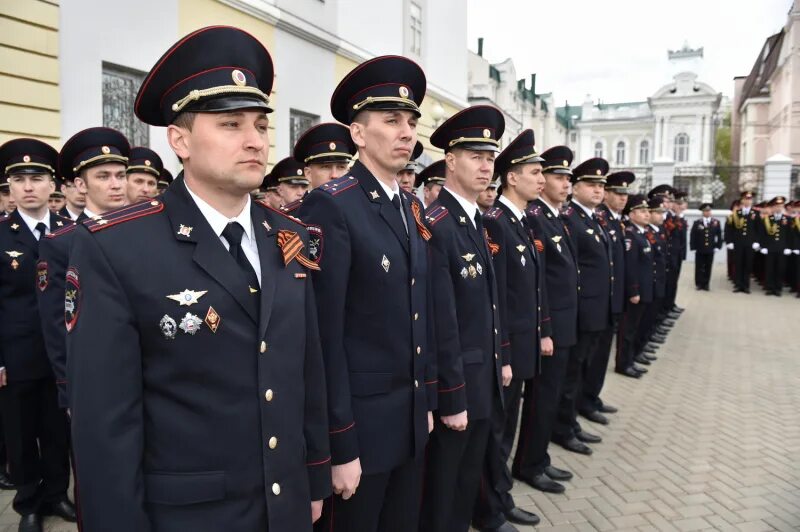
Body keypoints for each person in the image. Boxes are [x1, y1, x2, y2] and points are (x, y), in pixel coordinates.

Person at [67, 26, 331, 531]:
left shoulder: (291, 235)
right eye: (231, 124)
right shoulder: (114, 247)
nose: (255, 140)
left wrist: (314, 478)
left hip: (285, 506)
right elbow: (105, 426)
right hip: (189, 515)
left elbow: (305, 368)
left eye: (259, 123)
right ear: (180, 140)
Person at [298, 55, 435, 532]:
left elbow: (419, 313)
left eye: (412, 122)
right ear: (357, 133)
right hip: (360, 432)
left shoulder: (408, 205)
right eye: (391, 120)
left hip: (407, 421)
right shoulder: (332, 206)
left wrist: (427, 404)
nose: (406, 132)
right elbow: (323, 338)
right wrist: (339, 446)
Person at [419, 105, 504, 532]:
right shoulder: (439, 225)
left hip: (481, 379)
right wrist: (452, 396)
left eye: (490, 158)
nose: (486, 166)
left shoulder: (475, 221)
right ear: (450, 160)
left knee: (467, 482)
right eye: (475, 156)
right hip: (459, 388)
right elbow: (441, 321)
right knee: (444, 488)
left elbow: (486, 308)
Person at [0, 138, 76, 532]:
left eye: (37, 178)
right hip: (15, 357)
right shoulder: (1, 234)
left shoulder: (71, 231)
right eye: (19, 179)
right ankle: (28, 501)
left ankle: (57, 493)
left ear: (53, 185)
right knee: (20, 432)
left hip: (62, 354)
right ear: (9, 188)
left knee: (57, 430)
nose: (28, 187)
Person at [472, 129, 545, 532]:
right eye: (534, 172)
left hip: (519, 344)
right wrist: (503, 350)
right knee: (497, 435)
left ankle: (500, 497)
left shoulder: (519, 221)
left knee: (506, 429)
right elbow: (496, 297)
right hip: (505, 348)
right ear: (512, 177)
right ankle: (491, 509)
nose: (541, 179)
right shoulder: (496, 223)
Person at [38, 127, 131, 409]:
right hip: (92, 376)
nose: (115, 184)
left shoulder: (142, 233)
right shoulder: (61, 243)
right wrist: (69, 388)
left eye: (120, 175)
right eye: (103, 177)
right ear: (80, 185)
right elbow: (57, 322)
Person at [514, 145, 578, 494]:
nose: (564, 184)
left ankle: (538, 458)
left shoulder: (554, 215)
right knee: (541, 399)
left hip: (560, 324)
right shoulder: (536, 215)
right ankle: (529, 463)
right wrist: (545, 328)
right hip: (546, 327)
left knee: (550, 397)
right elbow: (538, 283)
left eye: (568, 178)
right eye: (556, 176)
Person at [580, 170, 631, 425]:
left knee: (598, 358)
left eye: (601, 186)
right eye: (593, 185)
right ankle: (584, 403)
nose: (598, 190)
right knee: (587, 361)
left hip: (606, 303)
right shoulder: (583, 218)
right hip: (590, 308)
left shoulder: (602, 220)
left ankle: (591, 398)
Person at [281, 121, 357, 214]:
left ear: (348, 171)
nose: (334, 175)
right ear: (308, 174)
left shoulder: (360, 211)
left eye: (341, 167)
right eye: (326, 167)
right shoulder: (289, 217)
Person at [615, 194, 653, 379]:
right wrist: (633, 290)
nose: (647, 214)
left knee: (634, 329)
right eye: (642, 211)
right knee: (627, 332)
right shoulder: (630, 235)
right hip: (635, 293)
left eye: (647, 211)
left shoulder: (640, 233)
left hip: (644, 290)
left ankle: (630, 361)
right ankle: (623, 364)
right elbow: (630, 267)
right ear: (631, 214)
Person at [758, 196, 792, 296]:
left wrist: (789, 247)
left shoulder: (788, 219)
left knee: (780, 268)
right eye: (776, 206)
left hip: (782, 248)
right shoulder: (767, 219)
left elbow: (790, 235)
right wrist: (762, 246)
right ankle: (769, 288)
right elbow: (762, 234)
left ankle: (778, 288)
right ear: (773, 207)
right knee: (769, 268)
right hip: (770, 248)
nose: (778, 208)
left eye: (780, 206)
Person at [690, 203, 722, 291]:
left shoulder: (716, 222)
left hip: (710, 248)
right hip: (700, 248)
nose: (707, 213)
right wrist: (693, 247)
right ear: (702, 212)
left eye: (709, 211)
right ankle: (699, 283)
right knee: (699, 266)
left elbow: (719, 235)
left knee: (708, 266)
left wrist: (718, 246)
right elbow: (693, 236)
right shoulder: (697, 223)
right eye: (705, 211)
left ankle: (706, 283)